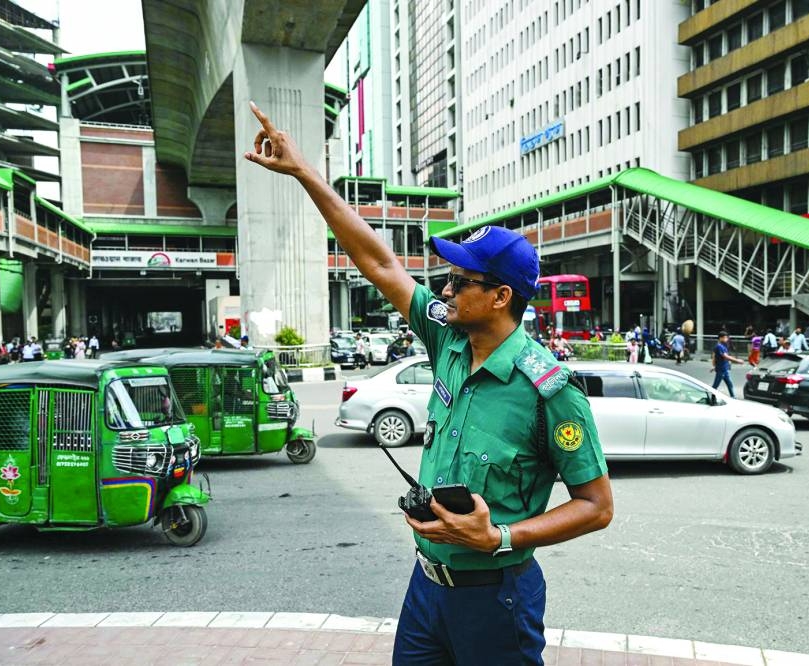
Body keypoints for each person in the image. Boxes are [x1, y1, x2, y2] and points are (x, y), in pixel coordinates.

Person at [244, 102, 612, 665]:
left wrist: (502, 539)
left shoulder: (549, 390)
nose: (442, 289)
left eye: (458, 280)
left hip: (496, 599)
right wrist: (305, 174)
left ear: (500, 297)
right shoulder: (449, 339)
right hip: (426, 591)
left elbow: (596, 506)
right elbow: (380, 263)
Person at [711, 330, 745, 397]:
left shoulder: (723, 346)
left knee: (730, 384)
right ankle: (711, 398)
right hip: (721, 370)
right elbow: (725, 356)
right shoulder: (719, 346)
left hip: (724, 369)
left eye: (726, 337)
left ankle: (733, 397)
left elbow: (716, 358)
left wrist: (714, 366)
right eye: (725, 337)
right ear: (720, 338)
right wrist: (738, 361)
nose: (726, 339)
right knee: (715, 386)